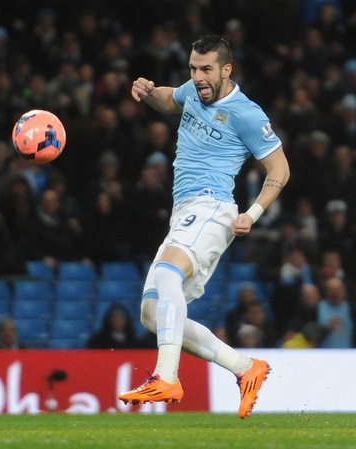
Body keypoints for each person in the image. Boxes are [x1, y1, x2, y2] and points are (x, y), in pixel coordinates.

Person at [117, 36, 290, 419]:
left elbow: (280, 169)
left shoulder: (247, 114)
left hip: (213, 208)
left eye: (206, 69)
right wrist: (147, 92)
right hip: (185, 212)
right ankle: (246, 368)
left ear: (226, 69)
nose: (198, 77)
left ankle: (166, 376)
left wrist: (253, 213)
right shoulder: (194, 92)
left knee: (167, 273)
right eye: (194, 68)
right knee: (151, 312)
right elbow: (168, 100)